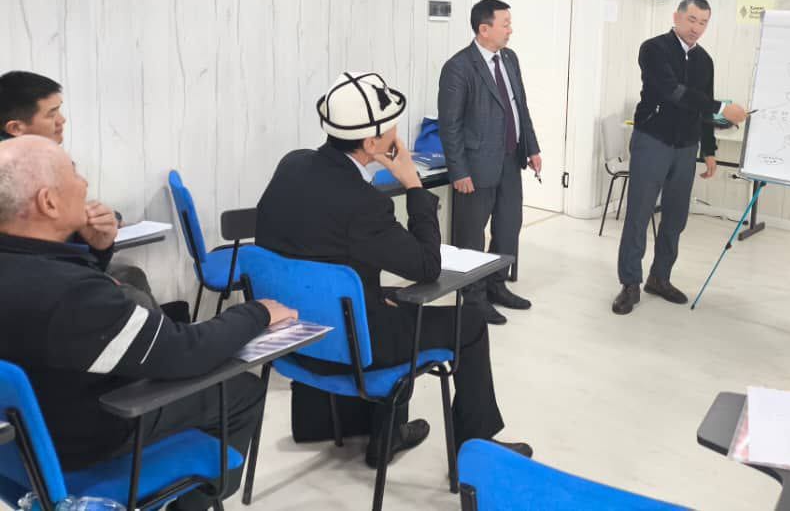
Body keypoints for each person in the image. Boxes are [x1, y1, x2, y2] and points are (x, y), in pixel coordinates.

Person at [0, 136, 297, 510]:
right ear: (48, 202)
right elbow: (186, 352)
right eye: (73, 174)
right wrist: (257, 312)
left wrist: (97, 251)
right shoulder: (72, 294)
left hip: (17, 449)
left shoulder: (30, 272)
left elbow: (59, 306)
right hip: (82, 444)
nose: (85, 184)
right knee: (241, 390)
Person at [256, 71, 531, 460]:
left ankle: (354, 427)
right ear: (371, 143)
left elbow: (315, 255)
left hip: (292, 337)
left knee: (386, 298)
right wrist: (414, 186)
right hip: (348, 344)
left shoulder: (292, 165)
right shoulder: (363, 203)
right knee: (469, 323)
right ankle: (477, 447)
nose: (397, 134)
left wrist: (371, 294)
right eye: (391, 127)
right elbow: (427, 265)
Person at [613, 0, 747, 316]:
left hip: (686, 147)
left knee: (676, 216)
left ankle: (659, 277)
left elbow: (702, 110)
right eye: (692, 20)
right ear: (677, 17)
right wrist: (721, 107)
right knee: (639, 215)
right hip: (652, 141)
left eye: (703, 23)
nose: (696, 28)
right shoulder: (653, 49)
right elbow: (672, 91)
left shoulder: (705, 61)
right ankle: (630, 283)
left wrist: (709, 151)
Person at [0, 70, 158, 310]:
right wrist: (93, 266)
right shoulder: (17, 174)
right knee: (133, 297)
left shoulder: (36, 162)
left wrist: (99, 235)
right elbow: (39, 261)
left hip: (57, 269)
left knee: (132, 275)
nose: (62, 120)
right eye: (51, 113)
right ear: (16, 127)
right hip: (39, 286)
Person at [437, 0, 540, 325]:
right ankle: (473, 298)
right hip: (476, 166)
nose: (511, 30)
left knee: (509, 227)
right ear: (484, 29)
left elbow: (520, 107)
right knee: (471, 236)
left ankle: (497, 285)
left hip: (511, 159)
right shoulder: (459, 67)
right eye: (505, 24)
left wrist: (532, 148)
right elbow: (450, 125)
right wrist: (459, 171)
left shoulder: (509, 59)